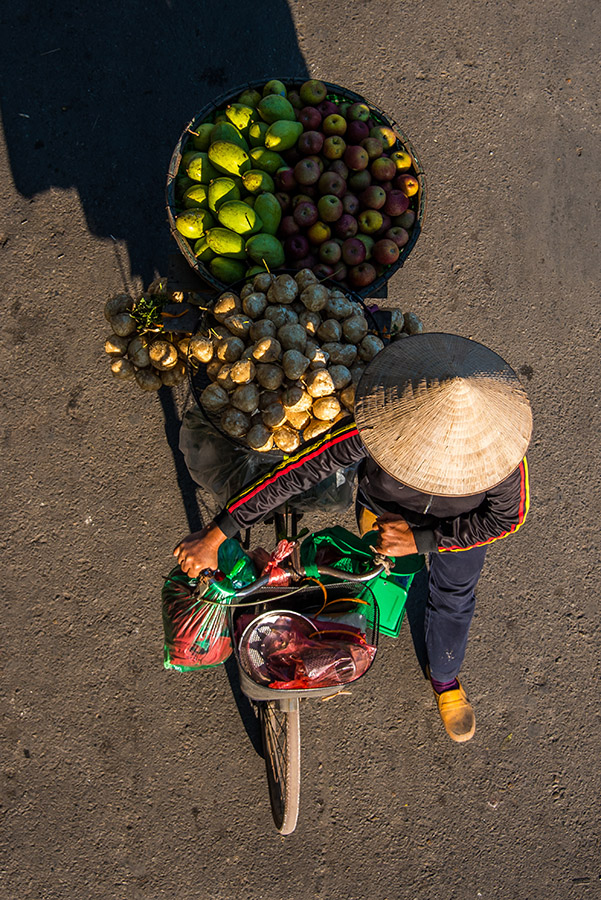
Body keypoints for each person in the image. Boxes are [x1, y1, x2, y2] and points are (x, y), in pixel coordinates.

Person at [174, 333, 532, 743]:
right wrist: (218, 532)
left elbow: (506, 518)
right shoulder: (381, 419)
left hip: (459, 527)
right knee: (373, 578)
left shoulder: (503, 454)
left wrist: (424, 541)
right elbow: (296, 473)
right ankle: (395, 583)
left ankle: (445, 677)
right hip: (384, 510)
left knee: (454, 594)